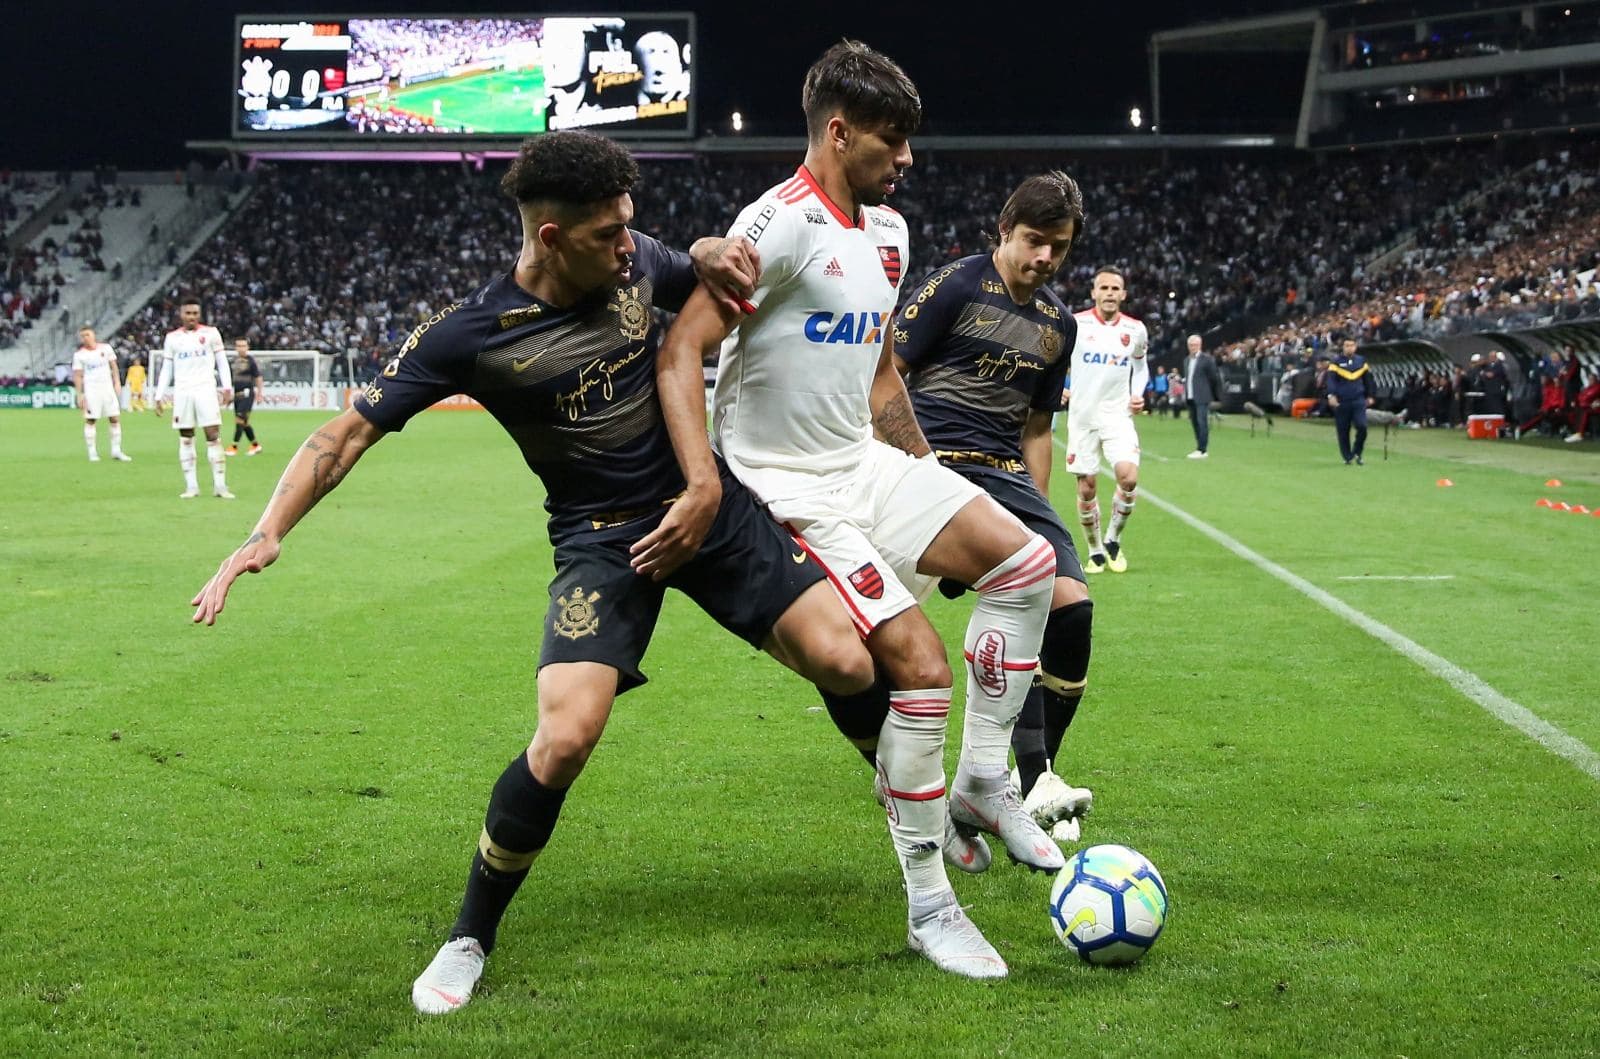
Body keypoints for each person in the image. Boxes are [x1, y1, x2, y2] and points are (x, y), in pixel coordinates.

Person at [189, 131, 879, 1017]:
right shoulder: (468, 334)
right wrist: (267, 529)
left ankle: (907, 801)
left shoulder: (633, 263)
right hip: (600, 540)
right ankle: (470, 934)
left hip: (706, 507)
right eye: (607, 233)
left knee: (850, 662)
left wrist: (705, 248)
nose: (629, 245)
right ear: (550, 238)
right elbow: (343, 435)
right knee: (562, 740)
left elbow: (698, 265)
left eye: (631, 226)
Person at [658, 40, 1062, 981]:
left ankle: (984, 779)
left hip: (863, 463)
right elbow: (683, 351)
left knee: (1028, 561)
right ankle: (930, 904)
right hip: (785, 487)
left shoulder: (889, 232)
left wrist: (930, 483)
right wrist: (705, 479)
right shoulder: (777, 226)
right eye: (892, 141)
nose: (908, 158)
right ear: (839, 134)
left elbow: (880, 368)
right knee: (920, 665)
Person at [894, 171, 1096, 843]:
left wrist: (1034, 515)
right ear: (1005, 231)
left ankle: (1034, 780)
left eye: (1058, 248)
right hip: (932, 460)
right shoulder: (954, 285)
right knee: (879, 648)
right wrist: (902, 469)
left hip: (1004, 471)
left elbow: (1037, 429)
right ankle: (995, 783)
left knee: (1071, 604)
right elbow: (886, 376)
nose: (1044, 258)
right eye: (1034, 241)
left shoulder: (1059, 326)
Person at [1065, 266, 1148, 574]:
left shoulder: (1135, 329)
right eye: (1104, 288)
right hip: (1083, 417)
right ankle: (1095, 549)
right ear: (1094, 293)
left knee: (1128, 477)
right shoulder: (1076, 323)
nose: (1110, 294)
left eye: (1115, 289)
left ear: (1123, 295)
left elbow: (1141, 367)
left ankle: (1113, 539)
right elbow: (1056, 359)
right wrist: (1060, 387)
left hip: (1117, 415)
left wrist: (1137, 394)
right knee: (1087, 487)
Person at [153, 298, 233, 498]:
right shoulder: (172, 338)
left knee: (213, 436)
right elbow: (167, 368)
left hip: (206, 390)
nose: (191, 317)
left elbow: (222, 362)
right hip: (183, 392)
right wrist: (158, 394)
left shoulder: (211, 333)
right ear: (181, 314)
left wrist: (227, 387)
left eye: (195, 313)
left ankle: (220, 486)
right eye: (188, 313)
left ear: (200, 314)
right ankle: (191, 487)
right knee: (186, 438)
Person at [71, 326, 130, 462]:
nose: (86, 338)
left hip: (107, 389)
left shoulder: (106, 348)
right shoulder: (79, 355)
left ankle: (116, 451)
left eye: (88, 334)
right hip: (92, 391)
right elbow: (78, 376)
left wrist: (117, 382)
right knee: (91, 420)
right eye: (83, 336)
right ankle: (92, 452)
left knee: (114, 418)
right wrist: (79, 394)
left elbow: (113, 366)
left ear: (93, 335)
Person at [1326, 336, 1375, 465]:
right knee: (1343, 430)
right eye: (1347, 345)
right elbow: (1331, 380)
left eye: (1352, 345)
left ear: (1356, 346)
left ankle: (1357, 451)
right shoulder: (1336, 362)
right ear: (1343, 347)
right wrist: (1331, 395)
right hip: (1342, 401)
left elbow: (1368, 380)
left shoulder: (1361, 361)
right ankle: (1347, 456)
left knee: (1362, 426)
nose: (1349, 348)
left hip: (1358, 400)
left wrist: (1370, 395)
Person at [1182, 334, 1221, 458]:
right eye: (1190, 345)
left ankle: (1202, 449)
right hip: (1191, 395)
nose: (1192, 347)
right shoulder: (1186, 360)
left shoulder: (1207, 359)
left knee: (1202, 421)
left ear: (1200, 345)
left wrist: (1211, 392)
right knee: (1195, 422)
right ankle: (1199, 446)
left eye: (1194, 345)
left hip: (1202, 396)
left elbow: (1214, 377)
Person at [226, 338, 264, 456]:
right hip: (237, 395)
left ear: (248, 347)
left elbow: (258, 377)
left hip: (247, 393)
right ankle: (255, 445)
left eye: (243, 346)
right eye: (239, 346)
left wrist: (259, 393)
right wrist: (230, 396)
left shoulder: (251, 361)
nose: (241, 348)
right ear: (236, 348)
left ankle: (234, 446)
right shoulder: (233, 361)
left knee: (239, 420)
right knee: (244, 423)